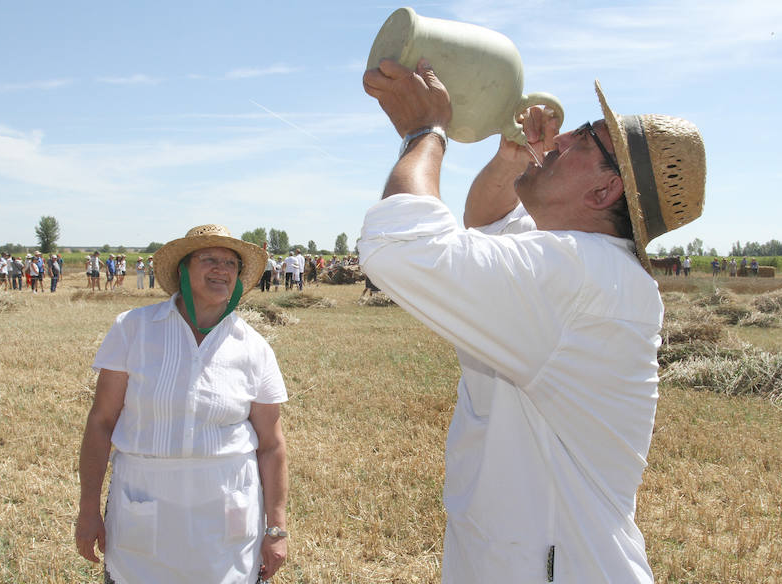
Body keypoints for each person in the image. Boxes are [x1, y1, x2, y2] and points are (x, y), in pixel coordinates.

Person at [360, 59, 705, 582]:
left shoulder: (580, 276)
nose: (561, 137)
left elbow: (399, 246)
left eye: (584, 139)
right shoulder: (589, 264)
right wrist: (515, 158)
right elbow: (487, 222)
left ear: (604, 191)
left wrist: (425, 132)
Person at [75, 224, 288, 584]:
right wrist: (88, 509)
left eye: (231, 263)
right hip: (143, 506)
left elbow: (271, 445)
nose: (221, 269)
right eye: (209, 259)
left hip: (226, 520)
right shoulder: (134, 329)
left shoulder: (253, 347)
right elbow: (101, 422)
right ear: (182, 270)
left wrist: (277, 528)